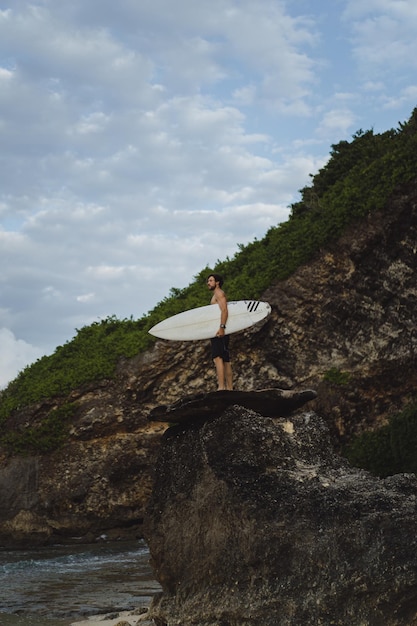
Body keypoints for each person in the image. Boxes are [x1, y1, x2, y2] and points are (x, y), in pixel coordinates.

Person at [206, 273, 233, 391]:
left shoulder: (219, 293)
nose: (208, 283)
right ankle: (230, 388)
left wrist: (222, 327)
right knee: (225, 359)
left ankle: (221, 387)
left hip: (219, 330)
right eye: (208, 281)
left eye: (211, 281)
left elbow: (225, 310)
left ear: (217, 282)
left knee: (217, 357)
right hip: (220, 330)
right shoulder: (216, 294)